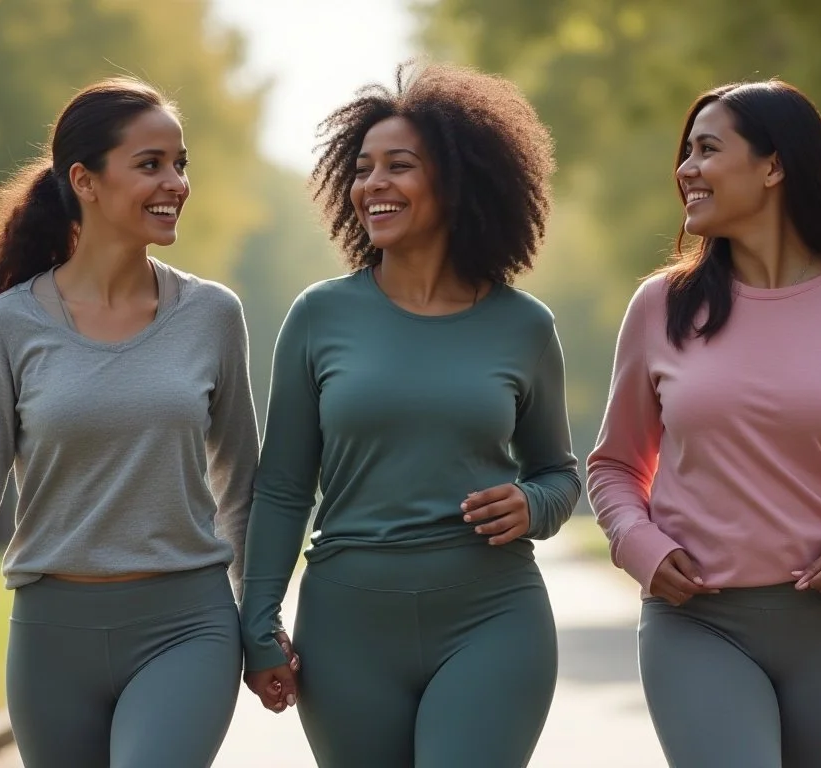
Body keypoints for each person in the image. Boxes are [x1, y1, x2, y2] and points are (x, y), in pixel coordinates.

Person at [0, 77, 258, 767]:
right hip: (52, 639)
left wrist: (260, 627)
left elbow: (241, 485)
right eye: (150, 164)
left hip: (187, 628)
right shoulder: (11, 325)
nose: (174, 182)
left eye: (180, 164)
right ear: (84, 180)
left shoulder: (213, 316)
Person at [587, 79, 821, 768]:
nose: (685, 170)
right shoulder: (659, 307)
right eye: (685, 152)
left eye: (707, 149)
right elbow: (613, 466)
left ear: (774, 165)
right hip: (697, 625)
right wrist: (641, 546)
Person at [237, 61, 581, 768]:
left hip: (493, 618)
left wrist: (532, 504)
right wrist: (258, 622)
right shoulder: (319, 316)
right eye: (362, 168)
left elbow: (557, 473)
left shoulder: (525, 327)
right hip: (347, 629)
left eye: (399, 166)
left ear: (458, 182)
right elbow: (281, 487)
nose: (373, 185)